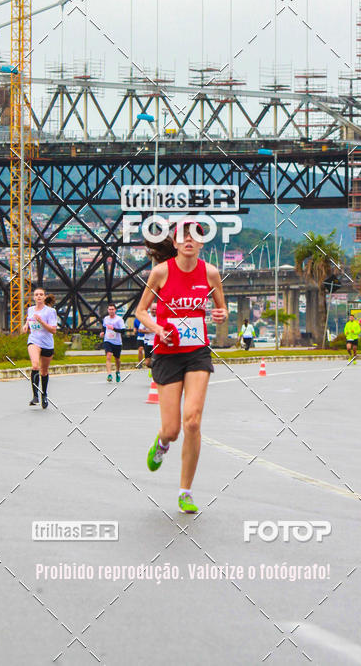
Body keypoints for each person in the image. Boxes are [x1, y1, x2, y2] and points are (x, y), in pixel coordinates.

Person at [136, 219, 227, 515]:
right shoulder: (161, 272)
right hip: (167, 353)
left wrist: (221, 315)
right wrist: (158, 328)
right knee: (173, 429)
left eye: (195, 236)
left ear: (201, 243)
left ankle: (185, 492)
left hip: (197, 352)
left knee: (193, 422)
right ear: (174, 243)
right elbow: (141, 311)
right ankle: (162, 444)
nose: (189, 240)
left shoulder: (210, 273)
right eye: (183, 236)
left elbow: (221, 310)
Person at [21, 286, 58, 408]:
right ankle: (35, 395)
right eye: (36, 294)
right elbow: (29, 319)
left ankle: (44, 394)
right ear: (34, 297)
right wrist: (26, 325)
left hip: (47, 343)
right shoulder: (30, 309)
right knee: (35, 365)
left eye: (41, 294)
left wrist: (42, 322)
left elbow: (53, 330)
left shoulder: (50, 312)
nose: (39, 296)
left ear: (44, 297)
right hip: (34, 340)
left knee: (44, 371)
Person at [100, 303, 126, 382]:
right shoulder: (106, 319)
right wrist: (102, 332)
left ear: (115, 310)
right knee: (108, 355)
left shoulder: (119, 319)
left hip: (117, 342)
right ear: (107, 310)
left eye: (112, 309)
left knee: (117, 359)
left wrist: (114, 329)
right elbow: (104, 327)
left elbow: (123, 331)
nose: (111, 311)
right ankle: (109, 374)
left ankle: (117, 371)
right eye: (109, 309)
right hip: (108, 340)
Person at [141, 302, 158, 371]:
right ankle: (153, 369)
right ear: (150, 309)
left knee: (156, 358)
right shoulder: (146, 317)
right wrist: (150, 331)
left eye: (155, 309)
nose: (154, 311)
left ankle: (155, 371)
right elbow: (140, 329)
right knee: (147, 362)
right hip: (148, 341)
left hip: (157, 342)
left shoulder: (160, 317)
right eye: (153, 309)